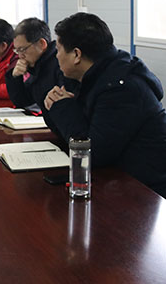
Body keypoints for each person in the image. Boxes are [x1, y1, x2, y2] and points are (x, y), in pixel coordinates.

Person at [43, 13, 166, 197]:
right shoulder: (91, 76)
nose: (56, 56)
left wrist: (62, 106)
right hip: (116, 181)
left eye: (59, 50)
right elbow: (67, 134)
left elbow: (92, 153)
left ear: (76, 54)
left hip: (145, 191)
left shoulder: (121, 88)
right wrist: (55, 104)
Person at [5, 17, 72, 134]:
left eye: (22, 49)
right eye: (17, 51)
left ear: (42, 44)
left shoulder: (59, 64)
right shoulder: (37, 65)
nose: (20, 56)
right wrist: (15, 78)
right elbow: (23, 101)